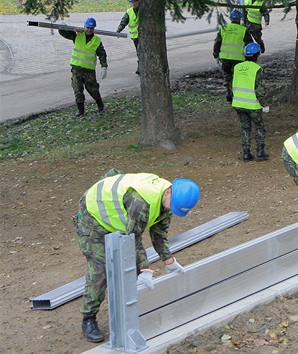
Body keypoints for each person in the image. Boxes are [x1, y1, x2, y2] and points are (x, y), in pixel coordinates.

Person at [74, 168, 200, 343]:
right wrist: (146, 268)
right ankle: (88, 318)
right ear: (169, 191)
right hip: (93, 217)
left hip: (117, 218)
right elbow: (132, 239)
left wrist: (168, 259)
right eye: (173, 205)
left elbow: (159, 233)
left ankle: (139, 316)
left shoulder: (168, 200)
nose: (172, 210)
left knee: (135, 269)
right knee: (100, 268)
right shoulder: (142, 202)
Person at [59, 17, 107, 117]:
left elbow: (102, 54)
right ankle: (80, 109)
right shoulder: (77, 35)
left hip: (89, 70)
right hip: (76, 68)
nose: (89, 30)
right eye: (87, 27)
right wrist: (63, 27)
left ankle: (100, 104)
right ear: (84, 26)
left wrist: (104, 66)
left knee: (92, 89)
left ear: (94, 29)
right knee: (77, 88)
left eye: (91, 28)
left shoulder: (96, 41)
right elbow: (64, 33)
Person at [231, 43, 270, 161]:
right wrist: (264, 104)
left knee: (245, 128)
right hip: (252, 104)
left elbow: (232, 84)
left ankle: (246, 153)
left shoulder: (237, 67)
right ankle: (260, 151)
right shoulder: (257, 69)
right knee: (259, 127)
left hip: (238, 103)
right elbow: (260, 90)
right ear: (257, 55)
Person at [213, 9, 253, 102]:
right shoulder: (243, 30)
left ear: (231, 18)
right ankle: (237, 94)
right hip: (239, 59)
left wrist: (216, 54)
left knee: (227, 76)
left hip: (225, 58)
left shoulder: (224, 28)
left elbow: (217, 42)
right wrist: (250, 57)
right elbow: (249, 44)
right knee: (237, 77)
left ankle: (228, 91)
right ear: (240, 19)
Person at [116, 0, 140, 75]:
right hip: (135, 37)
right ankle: (141, 67)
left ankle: (140, 68)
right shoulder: (129, 11)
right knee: (139, 52)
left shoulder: (143, 10)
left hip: (143, 36)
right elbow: (124, 21)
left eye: (135, 2)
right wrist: (118, 30)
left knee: (141, 52)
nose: (133, 4)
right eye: (132, 2)